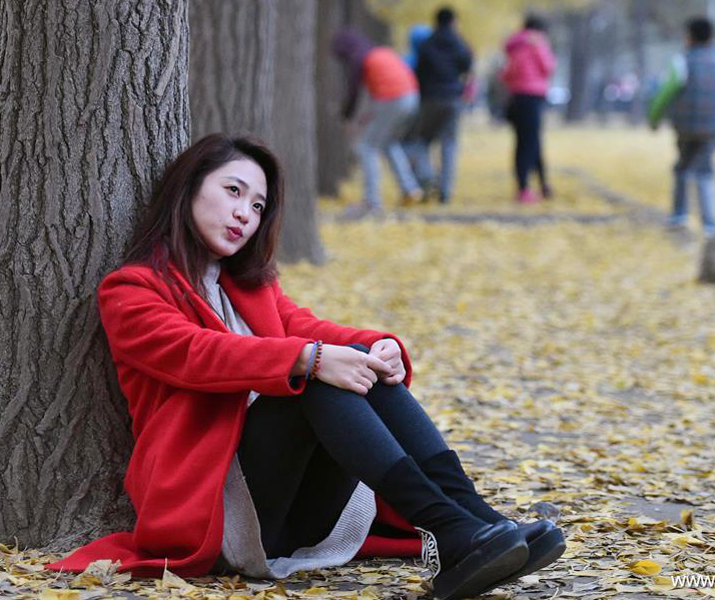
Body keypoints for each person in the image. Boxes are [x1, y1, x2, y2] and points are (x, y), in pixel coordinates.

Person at [44, 135, 566, 600]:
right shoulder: (132, 290)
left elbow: (306, 326)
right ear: (188, 188)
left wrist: (376, 346)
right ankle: (449, 529)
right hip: (213, 506)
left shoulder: (248, 287)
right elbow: (195, 353)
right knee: (316, 378)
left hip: (294, 503)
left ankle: (476, 520)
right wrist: (307, 358)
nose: (245, 213)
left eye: (257, 204)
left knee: (357, 370)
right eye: (232, 191)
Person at [648, 16, 715, 238]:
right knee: (705, 171)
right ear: (712, 38)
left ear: (688, 37)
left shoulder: (681, 63)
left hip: (685, 127)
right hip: (711, 130)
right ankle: (709, 223)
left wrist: (654, 118)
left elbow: (665, 93)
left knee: (682, 167)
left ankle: (679, 214)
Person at [332, 28, 423, 219]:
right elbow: (381, 86)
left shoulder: (359, 59)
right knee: (388, 143)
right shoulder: (381, 52)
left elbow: (354, 93)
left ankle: (372, 201)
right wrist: (370, 115)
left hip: (393, 99)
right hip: (411, 98)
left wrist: (346, 115)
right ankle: (410, 189)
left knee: (366, 147)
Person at [404, 7, 473, 204]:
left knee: (421, 141)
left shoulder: (427, 43)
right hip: (452, 98)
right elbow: (467, 67)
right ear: (453, 21)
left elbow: (419, 72)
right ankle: (445, 190)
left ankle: (427, 178)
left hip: (430, 99)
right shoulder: (459, 43)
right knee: (449, 144)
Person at [501, 13, 556, 205]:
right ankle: (525, 189)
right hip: (532, 98)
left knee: (526, 143)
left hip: (516, 98)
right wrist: (540, 47)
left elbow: (506, 74)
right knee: (531, 143)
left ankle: (540, 184)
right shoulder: (537, 44)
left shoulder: (515, 48)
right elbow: (548, 68)